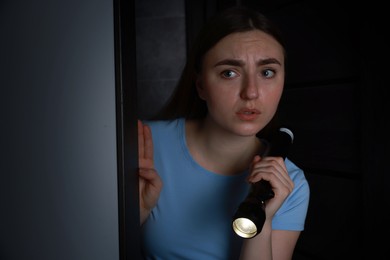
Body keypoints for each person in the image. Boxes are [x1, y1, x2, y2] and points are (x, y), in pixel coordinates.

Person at [138, 6, 310, 260]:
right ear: (201, 86)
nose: (251, 92)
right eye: (229, 73)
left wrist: (263, 215)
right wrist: (133, 214)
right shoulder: (144, 145)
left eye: (267, 72)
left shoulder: (290, 184)